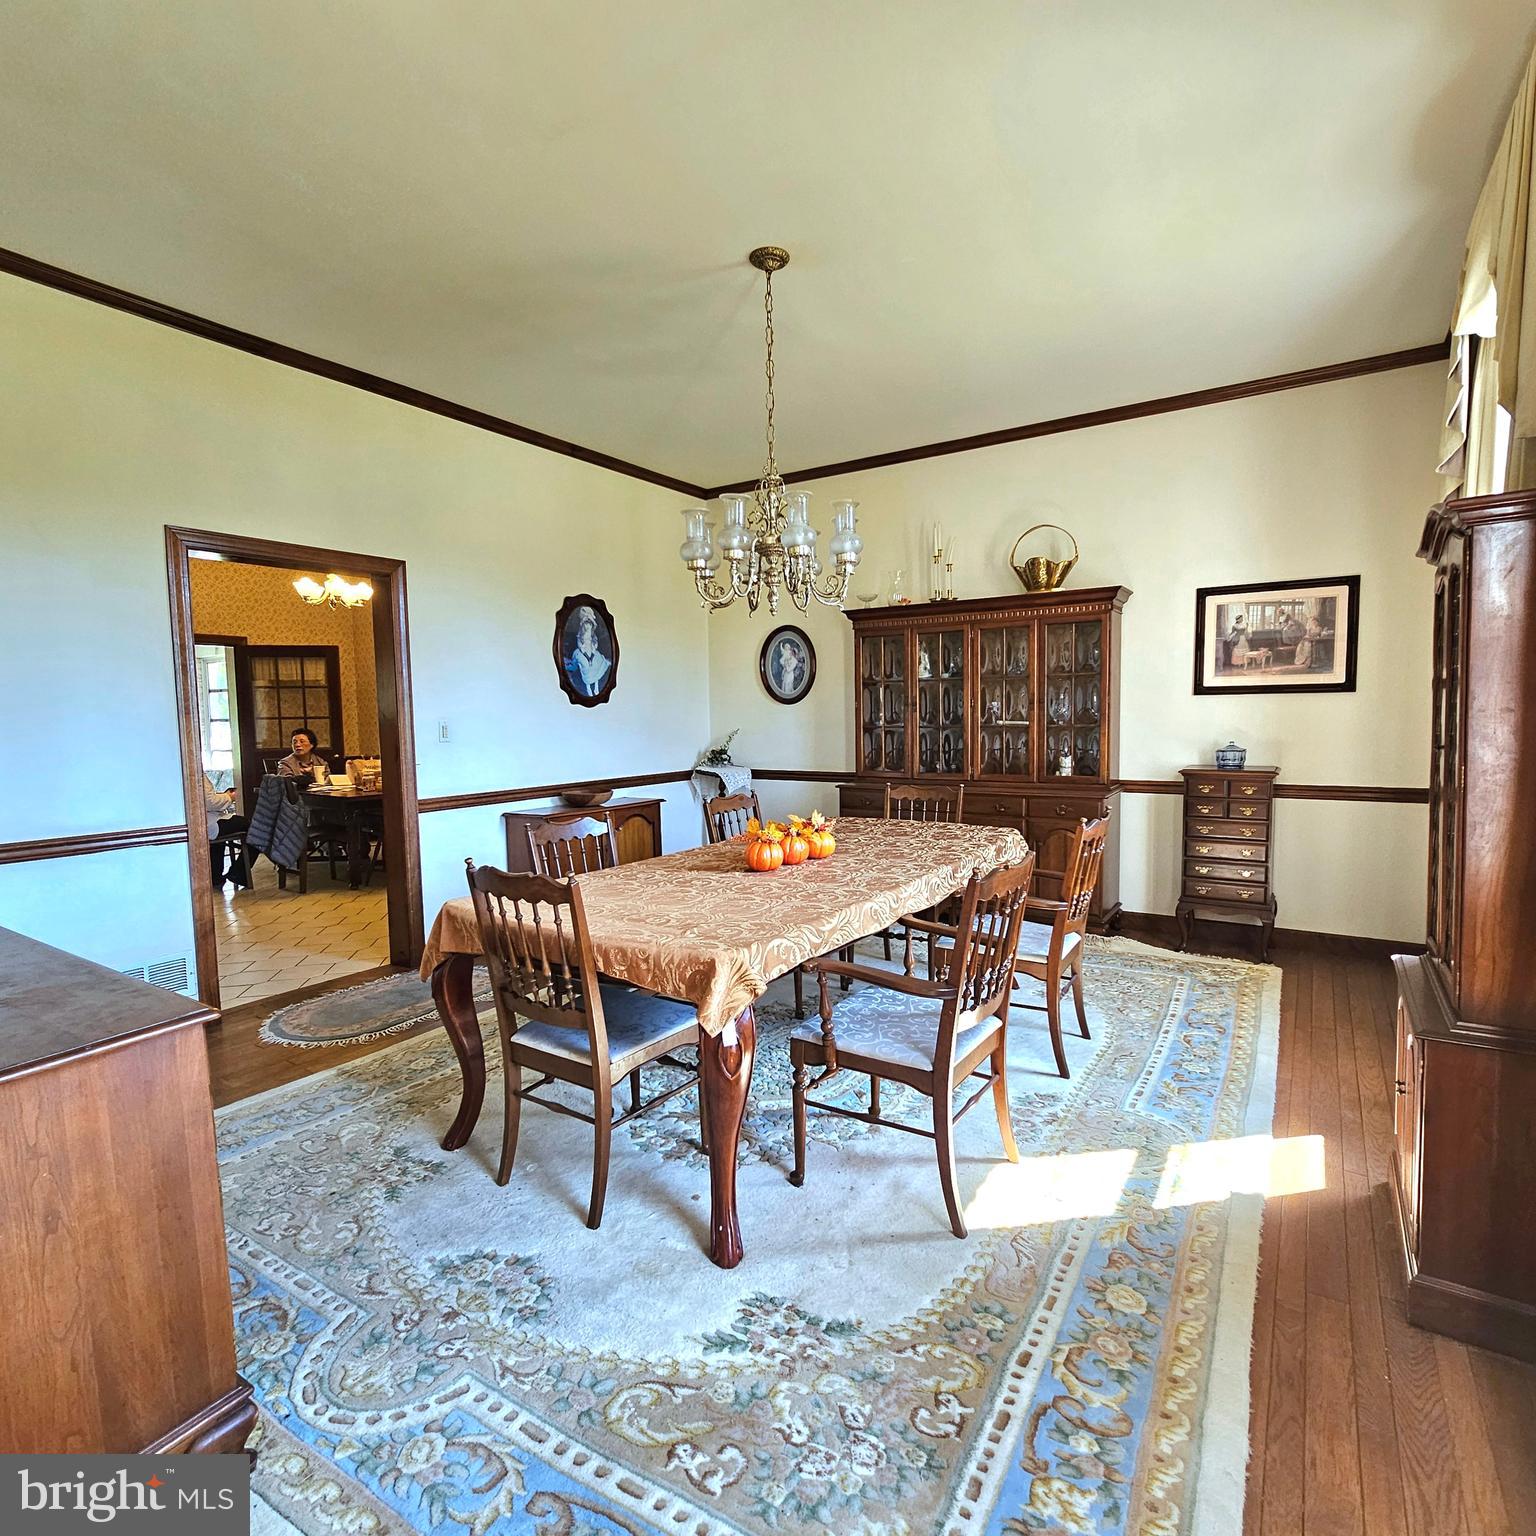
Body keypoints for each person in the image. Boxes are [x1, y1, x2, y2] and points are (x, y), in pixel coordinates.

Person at [204, 774, 250, 889]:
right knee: (251, 827)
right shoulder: (195, 772)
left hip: (205, 821)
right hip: (209, 822)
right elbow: (210, 802)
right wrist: (229, 796)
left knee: (223, 832)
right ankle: (239, 872)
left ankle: (216, 877)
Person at [564, 607, 612, 697]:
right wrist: (583, 649)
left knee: (597, 663)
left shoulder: (593, 635)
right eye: (586, 624)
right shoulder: (581, 634)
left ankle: (596, 686)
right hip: (584, 650)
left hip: (591, 649)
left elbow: (595, 642)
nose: (588, 627)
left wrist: (593, 648)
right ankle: (588, 687)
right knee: (585, 666)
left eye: (590, 625)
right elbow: (579, 642)